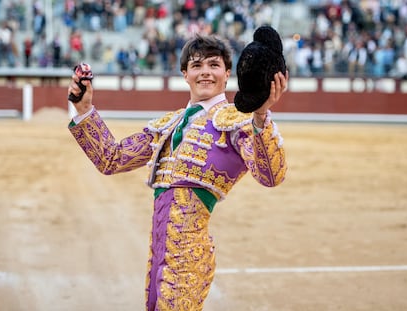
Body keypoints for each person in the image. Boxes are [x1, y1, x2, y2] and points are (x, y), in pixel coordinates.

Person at [67, 33, 288, 311]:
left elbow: (271, 175)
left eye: (213, 65)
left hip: (189, 255)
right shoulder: (168, 125)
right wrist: (84, 109)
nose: (205, 72)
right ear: (185, 74)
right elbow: (112, 158)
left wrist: (260, 117)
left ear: (227, 72)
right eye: (196, 66)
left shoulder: (238, 121)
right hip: (158, 254)